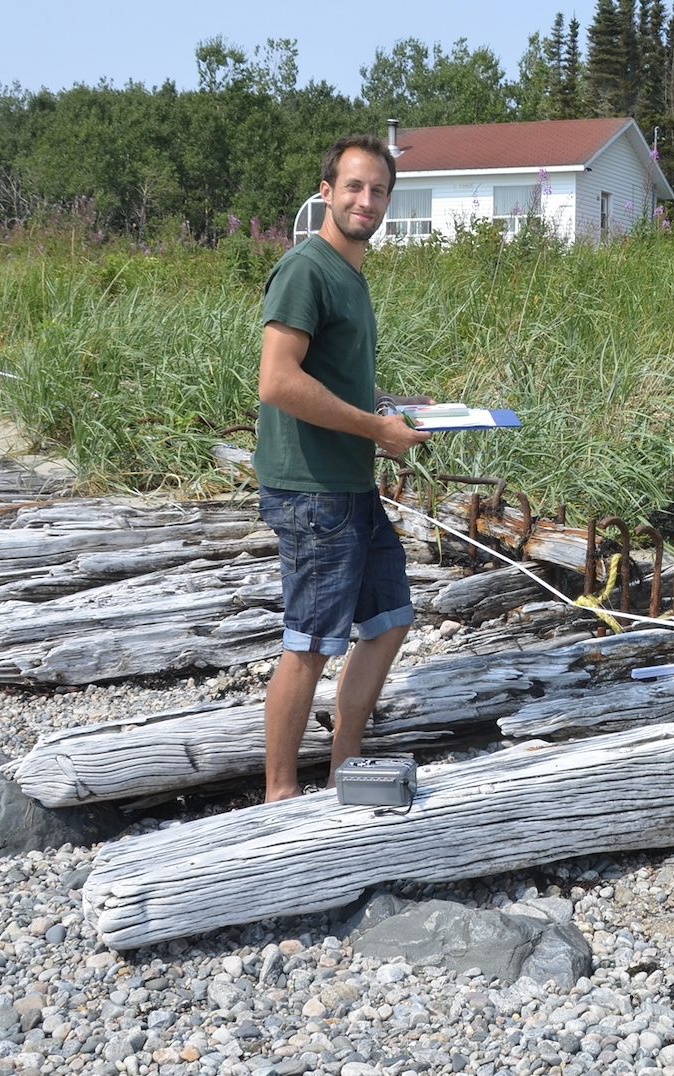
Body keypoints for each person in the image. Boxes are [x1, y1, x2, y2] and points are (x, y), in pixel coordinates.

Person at [254, 134, 431, 802]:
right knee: (309, 643)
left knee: (389, 620)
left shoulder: (350, 275)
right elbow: (278, 382)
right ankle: (278, 798)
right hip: (313, 490)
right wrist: (377, 430)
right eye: (353, 187)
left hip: (349, 483)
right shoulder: (308, 269)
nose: (366, 200)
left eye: (378, 190)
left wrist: (401, 409)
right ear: (326, 193)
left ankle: (344, 770)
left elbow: (330, 380)